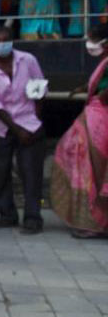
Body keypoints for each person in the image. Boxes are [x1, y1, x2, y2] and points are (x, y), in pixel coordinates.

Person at [0, 25, 45, 234]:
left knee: (31, 171)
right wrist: (17, 130)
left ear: (12, 40)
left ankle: (33, 217)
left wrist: (35, 121)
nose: (1, 44)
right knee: (1, 170)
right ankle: (6, 214)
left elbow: (39, 89)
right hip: (2, 125)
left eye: (5, 39)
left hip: (30, 122)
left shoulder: (28, 60)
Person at [53, 23, 108, 238]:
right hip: (96, 118)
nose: (89, 44)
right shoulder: (104, 62)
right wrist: (84, 89)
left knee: (92, 169)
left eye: (92, 39)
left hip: (100, 121)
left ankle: (93, 221)